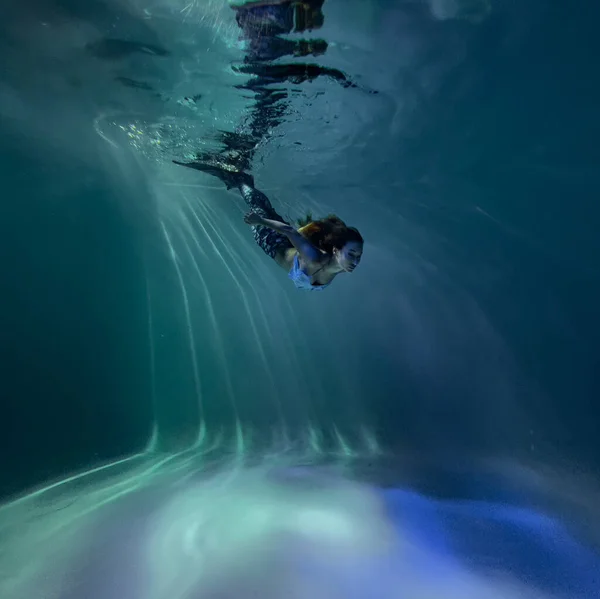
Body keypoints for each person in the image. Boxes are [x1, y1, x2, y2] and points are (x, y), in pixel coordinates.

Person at [173, 159, 363, 291]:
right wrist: (259, 221)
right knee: (257, 206)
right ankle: (240, 181)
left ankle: (243, 178)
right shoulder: (315, 258)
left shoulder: (339, 267)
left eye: (358, 256)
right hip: (271, 240)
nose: (355, 261)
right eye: (352, 254)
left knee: (265, 207)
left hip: (284, 243)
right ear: (337, 251)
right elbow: (288, 231)